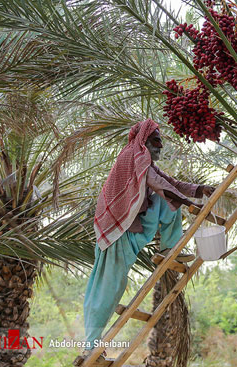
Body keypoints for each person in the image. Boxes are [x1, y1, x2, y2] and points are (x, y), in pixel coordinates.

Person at [82, 119, 214, 358]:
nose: (159, 148)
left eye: (160, 143)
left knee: (168, 201)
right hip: (117, 234)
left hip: (135, 226)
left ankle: (168, 247)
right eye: (156, 142)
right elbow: (161, 185)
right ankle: (91, 346)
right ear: (144, 141)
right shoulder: (135, 155)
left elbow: (169, 183)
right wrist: (190, 202)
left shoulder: (144, 160)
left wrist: (198, 189)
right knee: (108, 290)